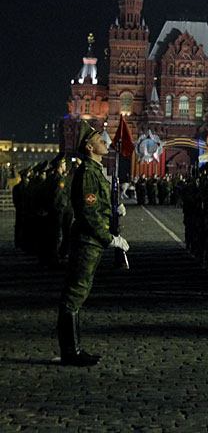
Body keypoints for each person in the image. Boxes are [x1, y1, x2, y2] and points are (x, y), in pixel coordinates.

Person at [57, 121, 120, 366]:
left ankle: (74, 349)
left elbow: (98, 205)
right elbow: (89, 212)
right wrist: (109, 238)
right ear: (89, 147)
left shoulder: (94, 171)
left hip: (91, 241)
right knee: (74, 294)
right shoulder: (87, 173)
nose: (105, 141)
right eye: (99, 139)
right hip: (88, 240)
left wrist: (114, 209)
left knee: (79, 293)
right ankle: (70, 351)